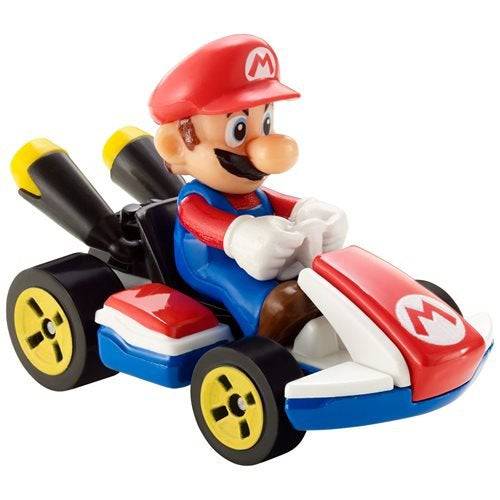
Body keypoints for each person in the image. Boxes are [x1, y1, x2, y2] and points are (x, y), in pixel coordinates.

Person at [149, 34, 347, 345]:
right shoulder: (194, 199)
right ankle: (264, 328)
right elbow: (206, 224)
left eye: (265, 123)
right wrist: (241, 236)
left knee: (329, 280)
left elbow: (278, 202)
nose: (264, 145)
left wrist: (308, 211)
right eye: (238, 130)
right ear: (175, 145)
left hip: (264, 257)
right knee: (258, 293)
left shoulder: (253, 194)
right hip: (211, 264)